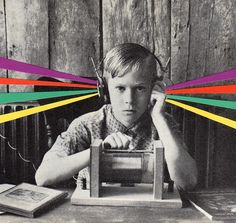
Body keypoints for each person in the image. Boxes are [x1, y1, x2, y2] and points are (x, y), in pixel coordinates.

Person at [35, 43, 197, 191]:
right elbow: (42, 176)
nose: (129, 100)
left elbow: (188, 181)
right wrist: (97, 151)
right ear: (103, 89)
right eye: (120, 88)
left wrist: (159, 119)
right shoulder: (85, 125)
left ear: (155, 88)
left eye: (140, 88)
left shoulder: (164, 123)